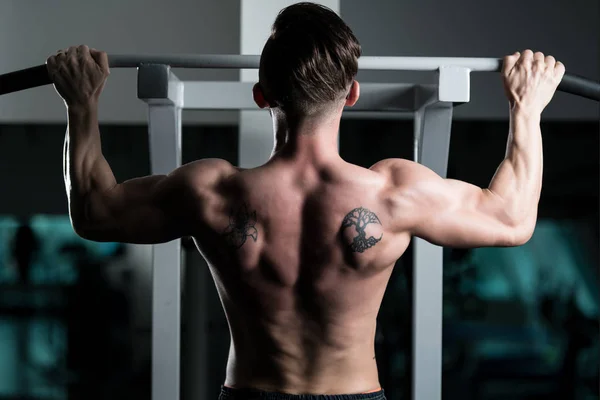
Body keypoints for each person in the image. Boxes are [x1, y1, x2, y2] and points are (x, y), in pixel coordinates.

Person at [45, 2, 564, 399]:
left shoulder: (211, 193)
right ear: (352, 93)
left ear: (262, 96)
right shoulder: (393, 194)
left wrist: (81, 105)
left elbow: (94, 211)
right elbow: (513, 219)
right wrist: (527, 108)